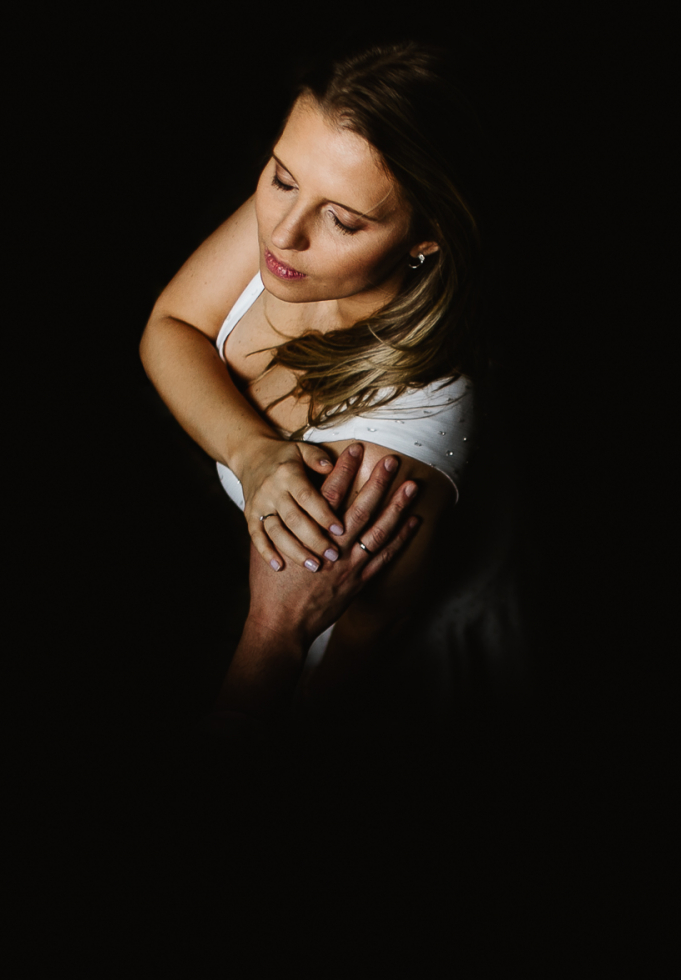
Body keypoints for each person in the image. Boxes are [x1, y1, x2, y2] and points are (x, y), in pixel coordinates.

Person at [139, 41, 489, 729]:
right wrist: (253, 451)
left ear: (426, 238)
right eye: (279, 175)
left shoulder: (390, 451)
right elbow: (169, 325)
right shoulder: (304, 209)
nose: (283, 233)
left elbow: (361, 640)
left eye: (343, 220)